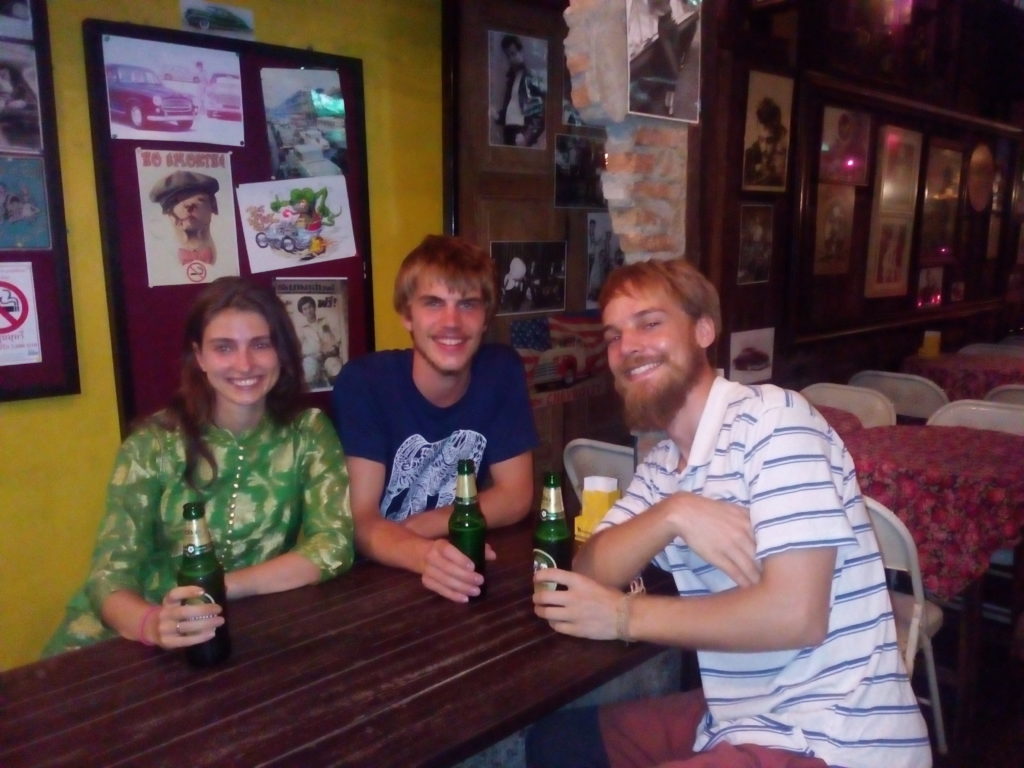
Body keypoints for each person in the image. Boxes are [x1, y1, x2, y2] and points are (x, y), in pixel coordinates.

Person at [528, 259, 931, 767]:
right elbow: (589, 571)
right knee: (558, 744)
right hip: (738, 719)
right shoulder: (663, 467)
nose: (627, 346)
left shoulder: (774, 421)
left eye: (649, 323)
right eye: (613, 335)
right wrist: (674, 513)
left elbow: (796, 617)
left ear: (703, 330)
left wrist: (623, 617)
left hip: (834, 735)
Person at [44, 277, 354, 656]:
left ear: (282, 353)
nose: (245, 363)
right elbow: (108, 575)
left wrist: (219, 587)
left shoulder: (308, 433)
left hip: (234, 630)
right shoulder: (153, 444)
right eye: (224, 347)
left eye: (260, 344)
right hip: (124, 636)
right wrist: (153, 623)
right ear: (200, 357)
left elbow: (334, 544)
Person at [332, 234, 538, 602]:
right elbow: (361, 521)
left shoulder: (500, 370)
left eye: (468, 304)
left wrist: (421, 529)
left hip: (455, 564)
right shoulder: (364, 383)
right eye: (433, 303)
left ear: (486, 317)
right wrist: (425, 553)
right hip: (376, 583)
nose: (451, 322)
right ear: (406, 315)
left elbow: (516, 495)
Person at [149, 170, 220, 265]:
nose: (189, 205)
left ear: (213, 206)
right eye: (176, 201)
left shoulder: (229, 252)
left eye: (200, 199)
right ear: (167, 212)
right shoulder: (158, 260)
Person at [494, 34, 546, 148]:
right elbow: (512, 107)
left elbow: (539, 114)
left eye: (513, 54)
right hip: (509, 129)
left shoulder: (531, 78)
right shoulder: (511, 79)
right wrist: (498, 116)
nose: (511, 59)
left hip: (520, 131)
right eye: (508, 56)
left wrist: (526, 136)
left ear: (521, 52)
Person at [296, 294, 342, 388]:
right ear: (302, 312)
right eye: (305, 309)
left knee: (336, 368)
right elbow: (297, 349)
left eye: (310, 307)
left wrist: (330, 351)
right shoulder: (301, 328)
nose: (308, 311)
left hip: (328, 355)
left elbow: (338, 339)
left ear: (314, 307)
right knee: (310, 373)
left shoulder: (326, 320)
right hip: (311, 358)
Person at [743, 96, 788, 188]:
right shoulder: (749, 156)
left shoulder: (782, 155)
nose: (763, 148)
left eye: (769, 141)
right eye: (761, 140)